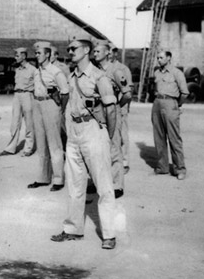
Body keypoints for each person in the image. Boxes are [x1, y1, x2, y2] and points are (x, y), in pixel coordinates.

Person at [51, 36, 117, 250]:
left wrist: (108, 135)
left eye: (74, 48)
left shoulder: (99, 77)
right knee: (75, 184)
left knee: (103, 185)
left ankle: (109, 234)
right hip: (75, 133)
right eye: (68, 49)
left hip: (93, 131)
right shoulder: (71, 77)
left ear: (87, 50)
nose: (70, 52)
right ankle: (73, 229)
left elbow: (111, 110)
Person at [27, 41, 69, 191]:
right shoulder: (37, 71)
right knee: (41, 142)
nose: (37, 55)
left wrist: (60, 109)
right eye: (36, 53)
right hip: (38, 104)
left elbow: (65, 92)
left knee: (54, 144)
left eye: (39, 53)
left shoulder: (56, 71)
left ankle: (58, 179)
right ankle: (43, 177)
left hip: (51, 105)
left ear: (47, 54)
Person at [93, 42, 132, 199]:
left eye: (97, 51)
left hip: (111, 110)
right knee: (98, 149)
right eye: (94, 51)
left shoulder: (116, 71)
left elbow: (127, 94)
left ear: (107, 53)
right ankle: (99, 182)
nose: (95, 54)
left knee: (114, 146)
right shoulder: (94, 71)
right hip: (97, 111)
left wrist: (117, 106)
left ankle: (117, 185)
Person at [151, 51, 189, 180]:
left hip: (171, 103)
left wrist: (177, 105)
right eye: (158, 57)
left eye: (161, 57)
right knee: (159, 137)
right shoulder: (156, 72)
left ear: (168, 58)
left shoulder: (177, 73)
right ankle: (162, 167)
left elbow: (184, 93)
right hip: (157, 103)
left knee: (174, 138)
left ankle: (180, 169)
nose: (159, 60)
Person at [0, 47, 36, 157]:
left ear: (24, 56)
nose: (15, 57)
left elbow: (37, 86)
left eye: (17, 55)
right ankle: (10, 148)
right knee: (14, 123)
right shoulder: (17, 69)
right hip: (17, 95)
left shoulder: (33, 70)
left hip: (28, 95)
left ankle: (28, 148)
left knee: (29, 123)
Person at [110, 47, 134, 174]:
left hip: (120, 104)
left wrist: (122, 105)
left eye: (110, 52)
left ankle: (124, 162)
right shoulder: (100, 68)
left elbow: (128, 90)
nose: (108, 54)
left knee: (122, 134)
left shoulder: (122, 69)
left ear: (115, 53)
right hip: (107, 107)